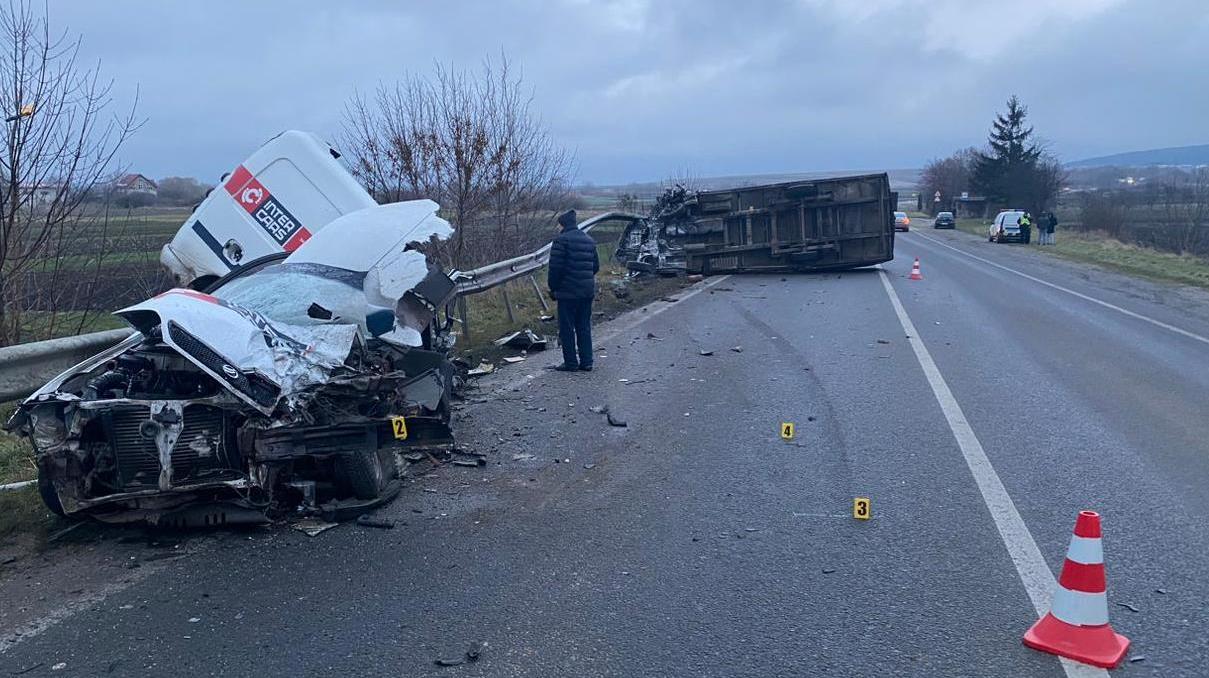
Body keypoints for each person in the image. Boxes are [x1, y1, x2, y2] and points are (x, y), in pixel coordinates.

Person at [546, 209, 599, 372]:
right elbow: (595, 267)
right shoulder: (589, 240)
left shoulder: (561, 241)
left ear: (562, 224)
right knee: (584, 326)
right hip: (587, 291)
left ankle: (570, 363)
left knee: (567, 328)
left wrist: (553, 289)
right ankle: (587, 361)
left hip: (567, 293)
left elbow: (555, 269)